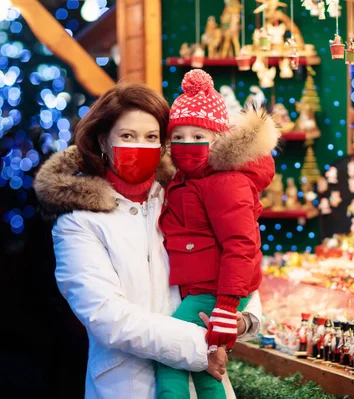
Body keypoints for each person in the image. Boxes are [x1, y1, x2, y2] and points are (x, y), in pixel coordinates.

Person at [33, 82, 262, 399]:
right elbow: (107, 315)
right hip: (128, 384)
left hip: (205, 379)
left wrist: (242, 319)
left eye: (151, 137)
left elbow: (235, 252)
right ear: (103, 141)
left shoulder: (182, 196)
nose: (140, 145)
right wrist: (201, 345)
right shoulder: (78, 222)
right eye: (127, 136)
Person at [155, 69, 279, 399]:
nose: (187, 144)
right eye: (178, 137)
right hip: (204, 287)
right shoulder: (186, 179)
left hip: (214, 290)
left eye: (199, 137)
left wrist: (225, 306)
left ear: (217, 139)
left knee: (170, 351)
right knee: (206, 363)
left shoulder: (224, 181)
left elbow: (242, 244)